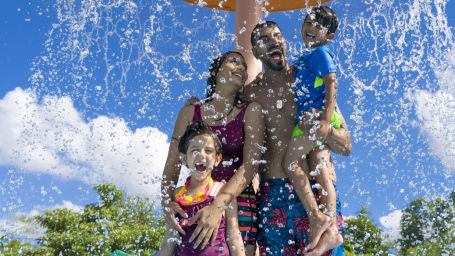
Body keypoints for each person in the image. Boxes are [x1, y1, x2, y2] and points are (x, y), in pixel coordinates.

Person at [244, 20, 352, 256]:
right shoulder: (250, 94)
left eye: (277, 36)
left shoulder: (309, 79)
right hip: (273, 196)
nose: (273, 41)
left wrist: (324, 130)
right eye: (264, 39)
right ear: (255, 52)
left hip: (318, 191)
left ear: (284, 42)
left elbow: (346, 145)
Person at [161, 51, 265, 255]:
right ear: (216, 72)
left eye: (244, 66)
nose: (242, 68)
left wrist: (218, 205)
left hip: (239, 200)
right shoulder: (191, 112)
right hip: (196, 198)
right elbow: (172, 163)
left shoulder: (251, 110)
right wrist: (167, 204)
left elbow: (250, 166)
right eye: (234, 62)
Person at [280, 6, 344, 253]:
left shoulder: (320, 53)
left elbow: (332, 82)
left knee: (290, 163)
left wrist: (326, 120)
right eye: (309, 21)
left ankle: (320, 218)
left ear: (329, 37)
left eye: (319, 26)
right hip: (308, 119)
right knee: (318, 164)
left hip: (317, 117)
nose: (311, 28)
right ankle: (331, 231)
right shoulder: (305, 58)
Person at [159, 121, 245, 256]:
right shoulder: (177, 195)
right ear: (184, 159)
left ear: (217, 159)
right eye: (194, 150)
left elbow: (234, 235)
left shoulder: (222, 191)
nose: (202, 155)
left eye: (208, 151)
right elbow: (170, 238)